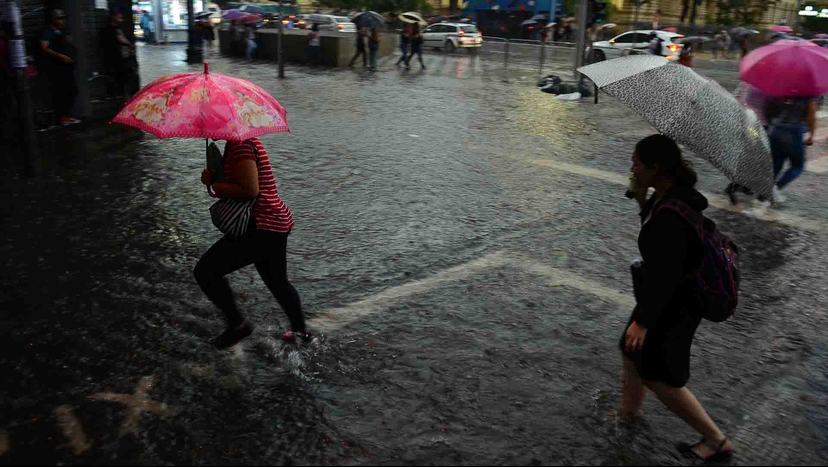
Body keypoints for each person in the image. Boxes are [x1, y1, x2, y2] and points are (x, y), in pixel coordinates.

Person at [622, 135, 733, 463]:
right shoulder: (670, 197)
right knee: (630, 352)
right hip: (670, 297)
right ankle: (627, 415)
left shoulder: (672, 210)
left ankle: (715, 440)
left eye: (637, 163)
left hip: (676, 303)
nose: (631, 168)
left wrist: (643, 322)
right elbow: (658, 246)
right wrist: (643, 202)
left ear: (656, 169)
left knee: (659, 375)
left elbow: (665, 273)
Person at [197, 138, 310, 349]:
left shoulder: (240, 145)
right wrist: (213, 181)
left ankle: (237, 324)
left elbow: (250, 190)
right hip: (273, 223)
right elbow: (238, 185)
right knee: (278, 282)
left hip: (260, 225)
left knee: (205, 272)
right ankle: (301, 333)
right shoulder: (239, 143)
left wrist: (216, 185)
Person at [763, 95, 819, 203]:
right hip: (794, 131)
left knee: (777, 163)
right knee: (797, 166)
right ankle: (775, 188)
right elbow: (811, 113)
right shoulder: (809, 91)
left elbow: (769, 105)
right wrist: (812, 134)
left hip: (776, 128)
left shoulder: (785, 86)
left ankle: (764, 191)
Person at [40, 9, 79, 126]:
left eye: (63, 18)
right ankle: (62, 118)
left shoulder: (63, 31)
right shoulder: (47, 31)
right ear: (53, 19)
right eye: (59, 18)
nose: (62, 21)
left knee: (71, 91)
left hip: (67, 67)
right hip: (56, 67)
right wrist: (61, 56)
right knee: (60, 93)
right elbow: (44, 47)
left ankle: (67, 116)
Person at [100, 10, 136, 101]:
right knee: (116, 82)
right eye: (119, 17)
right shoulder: (108, 29)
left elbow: (125, 41)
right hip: (114, 61)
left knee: (126, 81)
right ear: (113, 17)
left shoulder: (120, 28)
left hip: (123, 60)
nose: (121, 20)